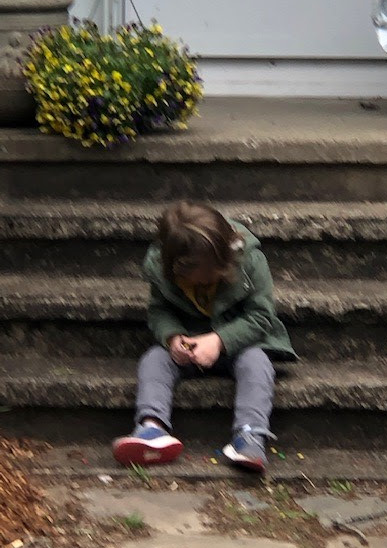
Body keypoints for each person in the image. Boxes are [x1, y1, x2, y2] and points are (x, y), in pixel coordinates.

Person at [113, 200, 296, 473]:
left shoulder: (249, 259)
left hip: (242, 344)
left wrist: (219, 340)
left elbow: (261, 316)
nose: (208, 283)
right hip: (188, 343)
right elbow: (159, 311)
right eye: (200, 280)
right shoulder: (160, 268)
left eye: (215, 276)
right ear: (177, 268)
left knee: (257, 364)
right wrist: (173, 337)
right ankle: (152, 428)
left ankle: (250, 435)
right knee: (154, 359)